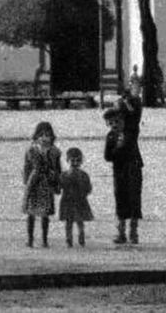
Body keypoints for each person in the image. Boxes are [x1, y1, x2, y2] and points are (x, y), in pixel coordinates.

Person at [103, 106, 144, 244]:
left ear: (124, 120)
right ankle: (121, 232)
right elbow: (107, 156)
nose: (114, 125)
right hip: (119, 172)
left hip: (133, 169)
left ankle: (134, 231)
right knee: (120, 200)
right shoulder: (110, 137)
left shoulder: (131, 132)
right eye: (111, 123)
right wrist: (117, 148)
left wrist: (126, 102)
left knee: (134, 200)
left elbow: (135, 115)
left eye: (117, 121)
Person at [22, 120, 62, 248]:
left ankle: (44, 239)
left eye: (47, 135)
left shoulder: (54, 151)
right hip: (34, 184)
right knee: (31, 213)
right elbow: (27, 167)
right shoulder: (31, 150)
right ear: (36, 136)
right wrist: (26, 181)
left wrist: (57, 182)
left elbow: (58, 168)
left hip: (46, 184)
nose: (44, 138)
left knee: (45, 214)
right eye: (41, 135)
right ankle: (30, 239)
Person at [58, 147, 95, 247]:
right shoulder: (64, 175)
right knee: (69, 222)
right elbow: (59, 187)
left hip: (79, 200)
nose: (75, 163)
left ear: (81, 161)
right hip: (68, 200)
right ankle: (69, 240)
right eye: (72, 160)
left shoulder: (83, 175)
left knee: (80, 221)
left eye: (77, 160)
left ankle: (81, 238)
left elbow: (88, 188)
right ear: (67, 160)